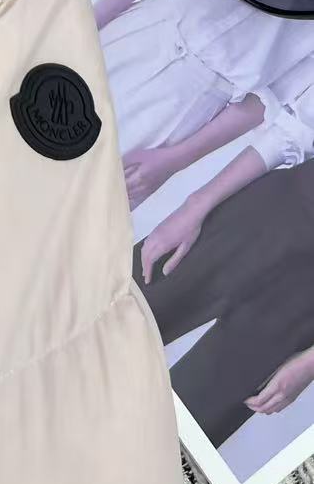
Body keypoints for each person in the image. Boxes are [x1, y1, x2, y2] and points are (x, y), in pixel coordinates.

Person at [94, 0, 314, 210]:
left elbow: (263, 101)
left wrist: (172, 161)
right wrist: (84, 24)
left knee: (81, 199)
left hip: (185, 105)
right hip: (142, 33)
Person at [134, 158, 314, 447]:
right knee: (102, 321)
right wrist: (196, 205)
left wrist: (311, 363)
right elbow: (291, 135)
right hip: (270, 212)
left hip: (304, 305)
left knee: (179, 429)